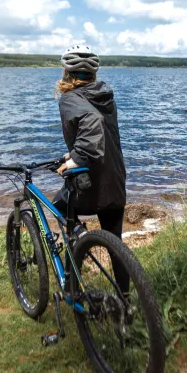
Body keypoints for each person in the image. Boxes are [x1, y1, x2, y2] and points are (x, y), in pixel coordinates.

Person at [53, 45, 130, 293]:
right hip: (114, 180)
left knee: (57, 207)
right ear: (94, 74)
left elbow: (92, 124)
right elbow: (102, 131)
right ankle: (125, 300)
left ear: (67, 72)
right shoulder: (105, 96)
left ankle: (73, 280)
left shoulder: (69, 98)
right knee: (116, 243)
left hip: (90, 185)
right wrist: (73, 152)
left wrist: (75, 160)